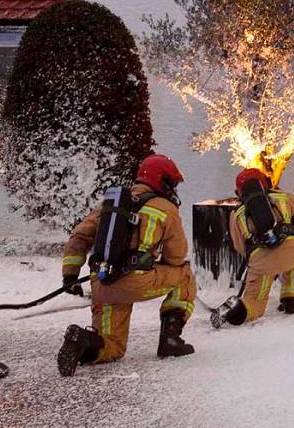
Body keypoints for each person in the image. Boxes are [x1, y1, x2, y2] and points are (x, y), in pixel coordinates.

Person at [56, 153, 197, 376]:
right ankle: (170, 338)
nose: (174, 190)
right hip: (136, 282)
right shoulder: (164, 208)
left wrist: (70, 276)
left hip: (103, 283)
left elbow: (78, 237)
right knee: (185, 275)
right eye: (173, 184)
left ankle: (83, 342)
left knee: (112, 346)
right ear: (162, 181)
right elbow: (177, 257)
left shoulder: (111, 204)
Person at [216, 168, 294, 326]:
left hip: (261, 262)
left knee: (255, 301)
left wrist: (255, 259)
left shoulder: (236, 214)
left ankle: (238, 313)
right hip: (291, 253)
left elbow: (240, 246)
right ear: (265, 183)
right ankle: (290, 297)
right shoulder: (282, 197)